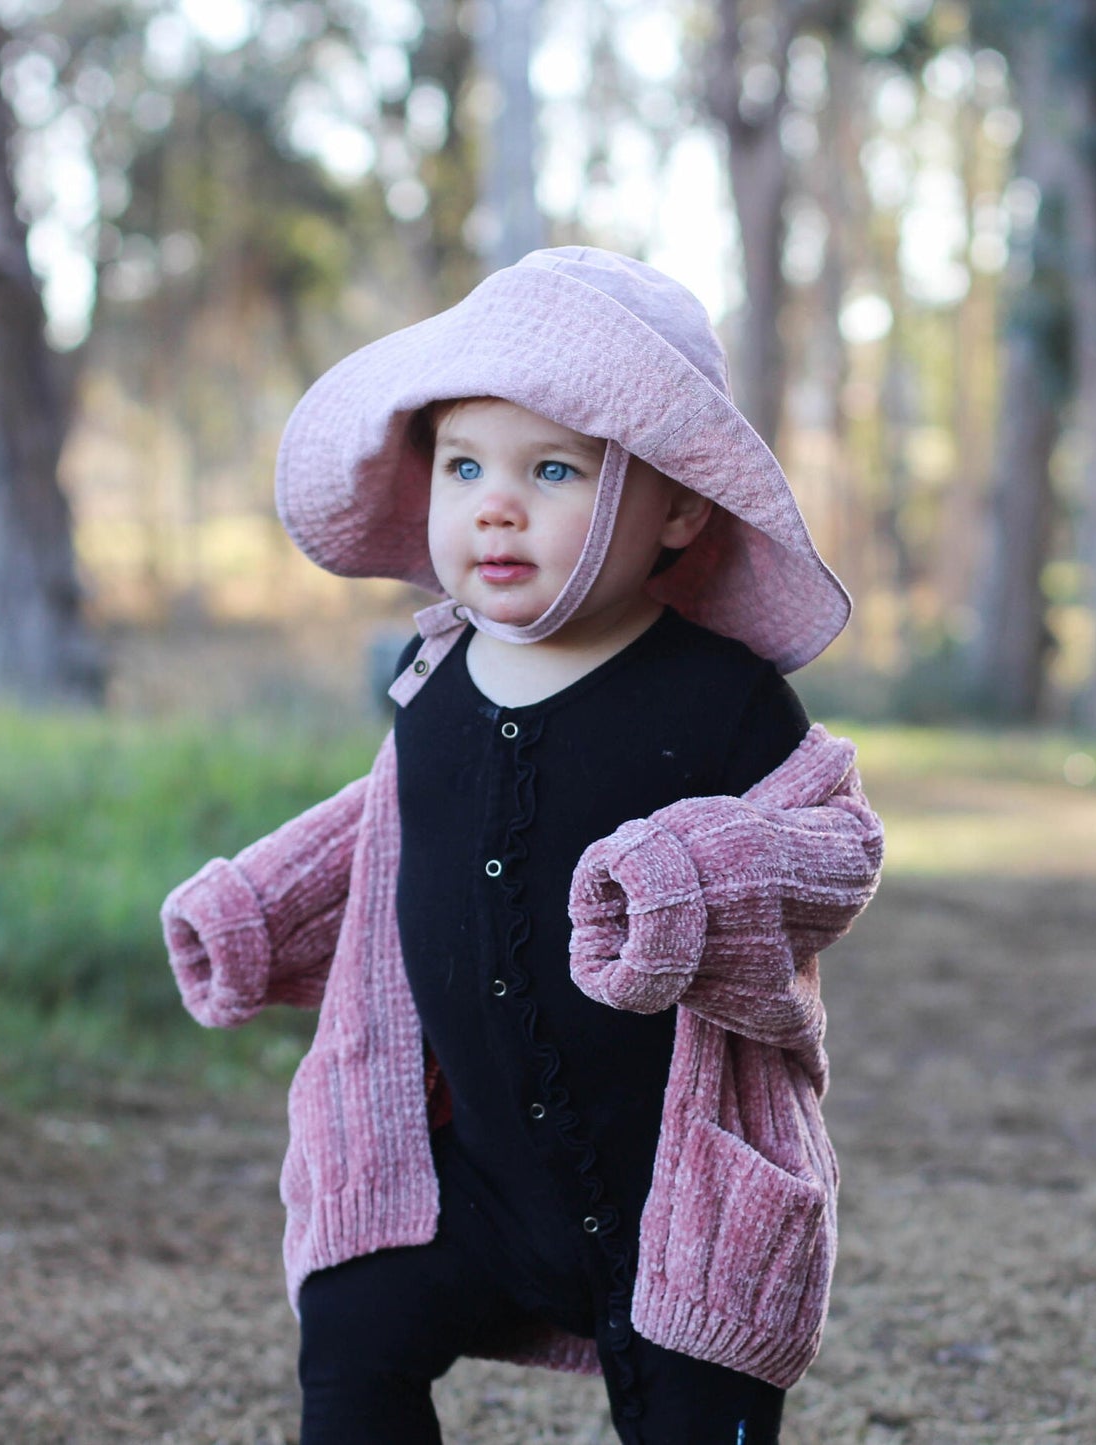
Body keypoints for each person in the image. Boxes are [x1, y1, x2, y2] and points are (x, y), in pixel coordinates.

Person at [160, 247, 884, 1445]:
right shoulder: (433, 681)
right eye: (463, 466)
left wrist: (686, 880)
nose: (495, 503)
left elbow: (832, 848)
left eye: (551, 468)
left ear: (676, 505)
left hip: (674, 1195)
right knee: (351, 1327)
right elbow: (386, 822)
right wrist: (253, 909)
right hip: (470, 1181)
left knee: (692, 1408)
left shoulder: (716, 696)